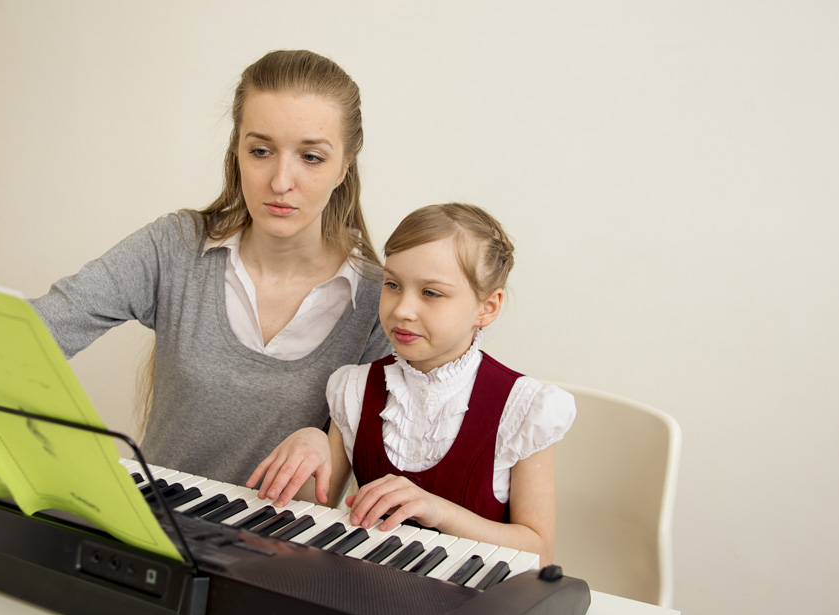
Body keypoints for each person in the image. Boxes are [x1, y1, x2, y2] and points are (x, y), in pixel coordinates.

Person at [30, 50, 391, 486]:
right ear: (236, 151)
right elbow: (36, 331)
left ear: (343, 168)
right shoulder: (175, 246)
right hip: (158, 536)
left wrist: (326, 444)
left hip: (283, 549)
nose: (280, 181)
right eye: (260, 151)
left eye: (311, 157)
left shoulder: (381, 299)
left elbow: (361, 470)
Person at [248, 203, 575, 565]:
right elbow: (316, 514)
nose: (402, 309)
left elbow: (539, 551)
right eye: (392, 285)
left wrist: (440, 512)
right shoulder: (354, 388)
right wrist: (313, 444)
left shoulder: (525, 408)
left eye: (431, 293)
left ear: (487, 307)